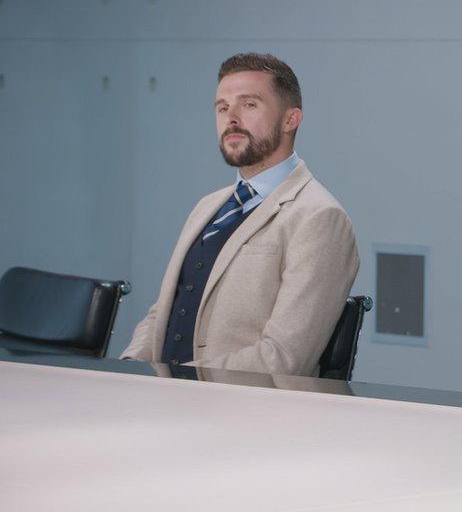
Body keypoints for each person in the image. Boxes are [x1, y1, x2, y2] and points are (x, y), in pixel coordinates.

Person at [121, 53, 359, 376]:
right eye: (222, 107)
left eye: (249, 105)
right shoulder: (207, 207)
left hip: (241, 417)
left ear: (291, 120)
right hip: (167, 405)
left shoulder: (320, 218)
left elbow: (284, 358)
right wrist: (129, 371)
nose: (231, 117)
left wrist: (177, 383)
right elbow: (161, 314)